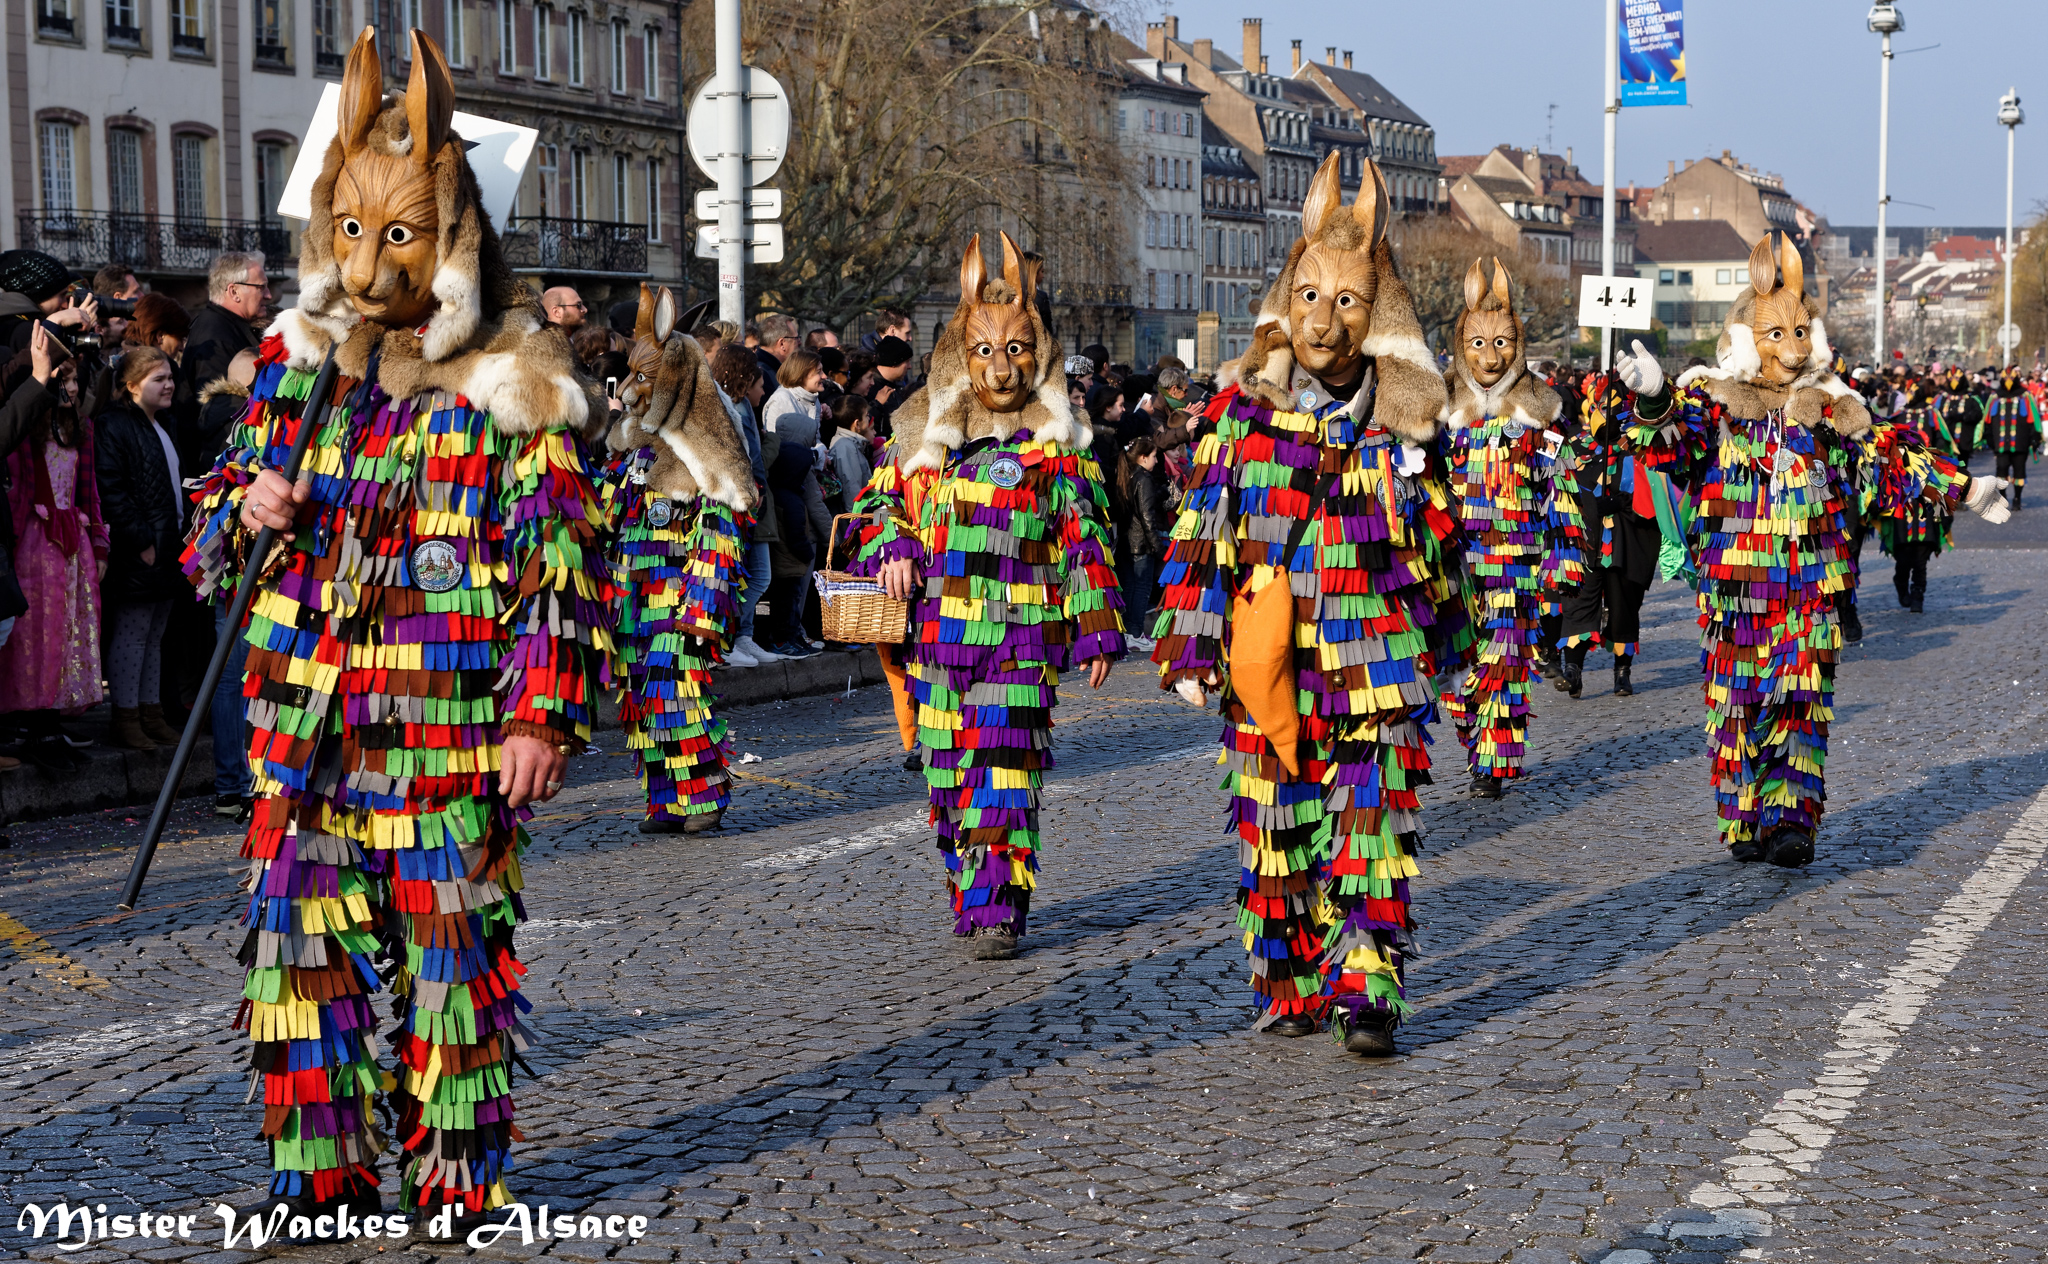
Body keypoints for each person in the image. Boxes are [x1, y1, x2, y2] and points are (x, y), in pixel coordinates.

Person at [178, 31, 617, 1237]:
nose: (370, 265)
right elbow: (211, 524)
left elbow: (563, 563)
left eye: (401, 235)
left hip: (446, 742)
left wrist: (539, 715)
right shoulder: (298, 368)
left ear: (455, 240)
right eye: (352, 232)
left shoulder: (515, 383)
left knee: (451, 972)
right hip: (305, 736)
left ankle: (457, 1181)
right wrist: (247, 507)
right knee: (299, 969)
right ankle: (318, 1182)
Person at [1153, 154, 1459, 1056]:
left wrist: (1449, 639)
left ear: (1379, 312)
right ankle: (1291, 981)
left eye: (1348, 301)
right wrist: (1189, 646)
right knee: (1276, 837)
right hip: (1269, 663)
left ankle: (1368, 989)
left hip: (1376, 665)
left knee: (1370, 828)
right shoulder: (1242, 420)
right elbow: (1201, 533)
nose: (1325, 321)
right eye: (1311, 297)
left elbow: (1442, 552)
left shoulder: (1405, 430)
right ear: (1287, 302)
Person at [1605, 233, 2008, 869]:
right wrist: (1654, 398)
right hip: (1734, 595)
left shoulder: (1829, 414)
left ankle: (1790, 823)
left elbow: (1890, 456)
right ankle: (1743, 815)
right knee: (1737, 706)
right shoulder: (1715, 408)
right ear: (1745, 340)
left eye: (1800, 333)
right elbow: (1668, 443)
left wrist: (1965, 489)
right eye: (1776, 334)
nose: (1792, 349)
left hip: (1808, 594)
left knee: (1799, 702)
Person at [850, 232, 1124, 962]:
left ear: (1038, 354)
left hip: (1020, 638)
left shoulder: (1056, 444)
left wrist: (1096, 623)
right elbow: (875, 511)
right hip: (940, 641)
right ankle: (968, 890)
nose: (1001, 368)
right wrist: (894, 546)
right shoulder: (923, 437)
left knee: (1003, 771)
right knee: (948, 778)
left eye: (1016, 350)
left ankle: (997, 908)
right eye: (984, 351)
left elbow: (1083, 535)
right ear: (960, 354)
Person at [604, 286, 758, 834]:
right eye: (631, 376)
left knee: (679, 693)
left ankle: (702, 796)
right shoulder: (635, 447)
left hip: (678, 598)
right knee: (641, 697)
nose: (630, 390)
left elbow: (721, 532)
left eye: (643, 378)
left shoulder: (707, 450)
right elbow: (611, 512)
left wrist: (703, 607)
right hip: (632, 600)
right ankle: (664, 798)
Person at [1437, 258, 1587, 798]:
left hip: (1513, 565)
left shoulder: (1538, 413)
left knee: (1503, 663)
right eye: (1478, 344)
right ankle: (1472, 733)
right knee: (1452, 670)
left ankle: (1491, 762)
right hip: (1453, 567)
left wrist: (1563, 556)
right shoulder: (1440, 410)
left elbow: (1558, 488)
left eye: (1501, 344)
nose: (1490, 357)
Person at [0, 349, 105, 771]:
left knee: (65, 631)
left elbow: (89, 491)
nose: (72, 389)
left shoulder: (80, 429)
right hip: (35, 543)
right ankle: (28, 720)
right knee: (33, 635)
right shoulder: (28, 432)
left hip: (71, 543)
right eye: (64, 380)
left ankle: (51, 717)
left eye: (76, 380)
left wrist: (99, 542)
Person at [95, 347, 186, 751]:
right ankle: (126, 717)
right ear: (131, 386)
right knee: (132, 634)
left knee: (154, 635)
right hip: (142, 548)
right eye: (158, 379)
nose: (169, 385)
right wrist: (141, 541)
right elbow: (112, 490)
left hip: (168, 544)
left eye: (169, 378)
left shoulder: (162, 423)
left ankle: (151, 714)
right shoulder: (114, 425)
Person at [709, 345, 781, 668]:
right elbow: (743, 456)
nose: (764, 391)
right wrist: (754, 486)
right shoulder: (731, 407)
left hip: (754, 498)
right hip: (741, 501)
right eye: (759, 383)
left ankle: (741, 636)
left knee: (753, 575)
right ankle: (726, 635)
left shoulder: (743, 407)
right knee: (756, 576)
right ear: (745, 379)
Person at [1116, 435, 1171, 651]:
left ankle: (1130, 633)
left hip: (1127, 543)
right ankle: (1136, 632)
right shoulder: (1144, 478)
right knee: (1141, 589)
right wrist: (1158, 547)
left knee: (1130, 588)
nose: (1156, 461)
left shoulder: (1127, 475)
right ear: (1143, 457)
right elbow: (1147, 517)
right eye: (1154, 456)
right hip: (1141, 544)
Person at [1980, 366, 2038, 509]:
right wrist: (1988, 437)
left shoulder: (2025, 396)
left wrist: (2035, 437)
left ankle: (2017, 498)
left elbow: (2033, 420)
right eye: (2005, 378)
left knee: (2019, 471)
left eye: (2011, 378)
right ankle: (2003, 496)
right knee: (2001, 469)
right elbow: (1987, 420)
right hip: (2000, 444)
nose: (2008, 381)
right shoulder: (1995, 397)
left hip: (2021, 443)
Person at [826, 393, 875, 515]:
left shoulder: (851, 444)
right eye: (866, 416)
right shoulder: (845, 447)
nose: (868, 418)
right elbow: (851, 488)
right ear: (857, 424)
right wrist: (859, 518)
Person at [866, 335, 915, 431]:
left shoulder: (895, 386)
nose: (910, 366)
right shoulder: (869, 388)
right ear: (894, 362)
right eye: (907, 362)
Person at [754, 312, 799, 385]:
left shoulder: (771, 368)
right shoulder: (763, 374)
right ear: (782, 343)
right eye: (796, 338)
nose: (799, 343)